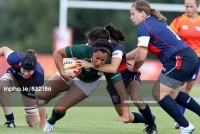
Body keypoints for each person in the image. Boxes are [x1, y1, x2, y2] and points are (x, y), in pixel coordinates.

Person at [126, 0, 200, 134]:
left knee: (158, 93)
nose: (131, 17)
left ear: (142, 14)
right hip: (189, 57)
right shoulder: (154, 21)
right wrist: (124, 57)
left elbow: (141, 57)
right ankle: (186, 124)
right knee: (173, 93)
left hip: (179, 59)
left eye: (133, 14)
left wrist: (132, 68)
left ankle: (185, 125)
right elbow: (141, 50)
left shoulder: (144, 27)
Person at [76, 23, 157, 134]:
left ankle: (152, 126)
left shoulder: (117, 48)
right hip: (113, 82)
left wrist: (90, 65)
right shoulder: (92, 49)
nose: (89, 45)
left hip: (128, 77)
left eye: (91, 42)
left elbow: (113, 68)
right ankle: (150, 119)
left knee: (137, 99)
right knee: (126, 117)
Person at [37, 39, 130, 132]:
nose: (98, 62)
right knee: (41, 95)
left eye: (103, 60)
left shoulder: (110, 65)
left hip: (87, 83)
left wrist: (125, 113)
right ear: (92, 52)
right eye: (97, 58)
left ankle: (50, 122)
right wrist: (62, 72)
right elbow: (57, 53)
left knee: (59, 109)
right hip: (71, 71)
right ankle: (51, 95)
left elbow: (122, 91)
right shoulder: (83, 50)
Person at [169, 0, 200, 129]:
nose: (188, 9)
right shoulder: (178, 21)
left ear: (197, 6)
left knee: (187, 90)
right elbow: (169, 37)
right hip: (182, 59)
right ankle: (180, 119)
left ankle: (179, 118)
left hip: (197, 59)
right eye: (186, 6)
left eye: (191, 6)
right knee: (180, 89)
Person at [0, 46, 46, 128]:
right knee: (1, 86)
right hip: (13, 76)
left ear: (34, 70)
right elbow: (4, 49)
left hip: (28, 86)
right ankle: (10, 121)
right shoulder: (14, 58)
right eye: (24, 70)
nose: (25, 74)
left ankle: (41, 116)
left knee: (32, 122)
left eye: (29, 71)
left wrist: (44, 123)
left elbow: (41, 100)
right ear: (20, 65)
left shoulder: (39, 76)